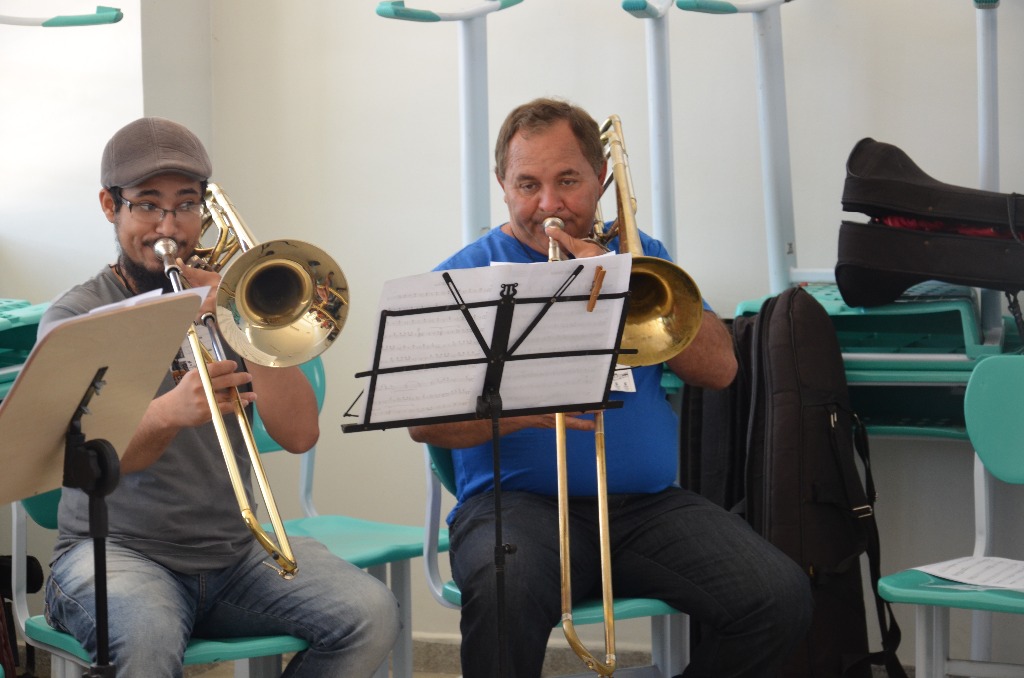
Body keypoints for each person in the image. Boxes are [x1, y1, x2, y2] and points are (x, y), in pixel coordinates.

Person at [408, 98, 813, 678]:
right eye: (528, 185)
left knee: (778, 596)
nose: (549, 204)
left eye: (568, 181)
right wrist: (526, 408)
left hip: (647, 508)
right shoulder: (462, 278)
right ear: (502, 185)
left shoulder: (642, 257)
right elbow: (426, 424)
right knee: (505, 588)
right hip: (516, 509)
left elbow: (720, 370)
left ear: (601, 179)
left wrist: (623, 281)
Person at [38, 117, 400, 677]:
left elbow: (299, 434)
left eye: (186, 204)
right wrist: (167, 414)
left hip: (234, 553)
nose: (169, 226)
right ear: (111, 206)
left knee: (370, 614)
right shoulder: (76, 317)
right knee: (145, 638)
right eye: (148, 205)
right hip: (114, 552)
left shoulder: (225, 301)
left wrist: (241, 323)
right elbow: (79, 461)